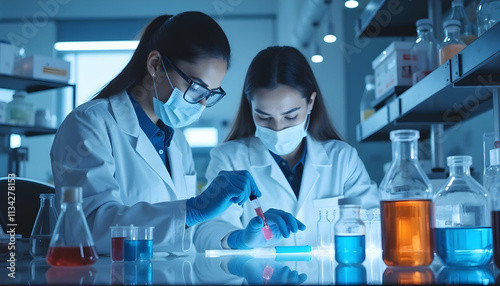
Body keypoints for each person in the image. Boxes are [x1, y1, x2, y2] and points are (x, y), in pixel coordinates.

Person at [50, 13, 303, 254]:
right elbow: (88, 227)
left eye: (210, 94)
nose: (201, 104)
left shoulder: (177, 143)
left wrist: (238, 239)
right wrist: (192, 209)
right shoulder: (90, 124)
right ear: (155, 65)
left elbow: (183, 236)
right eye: (195, 88)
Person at [194, 46, 378, 250]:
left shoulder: (343, 159)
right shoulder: (229, 158)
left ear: (310, 102)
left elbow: (375, 223)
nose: (278, 129)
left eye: (290, 116)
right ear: (250, 106)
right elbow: (206, 232)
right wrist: (241, 239)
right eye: (264, 117)